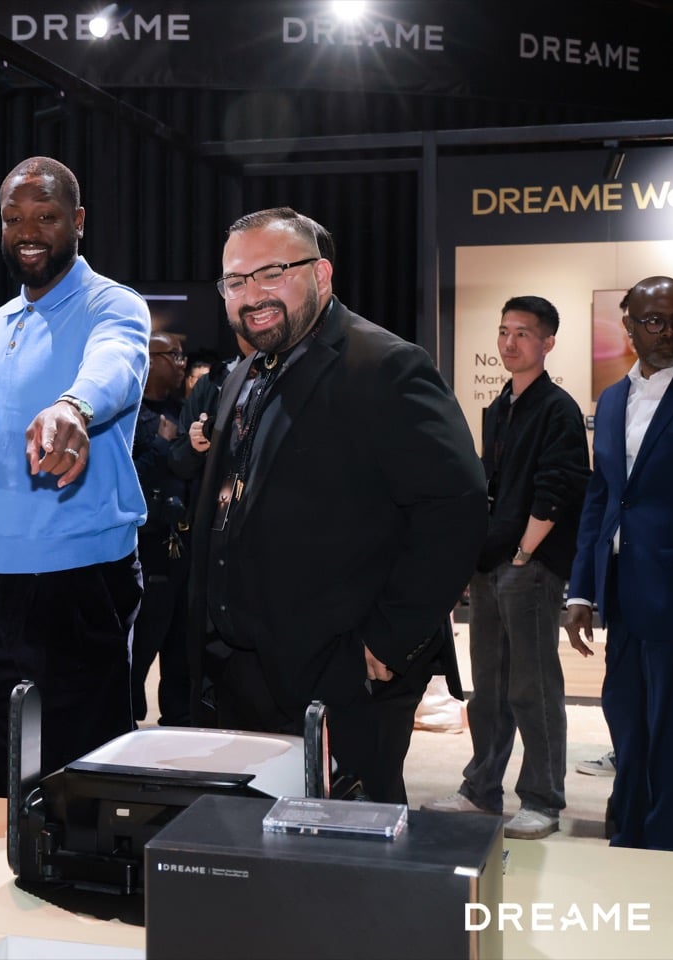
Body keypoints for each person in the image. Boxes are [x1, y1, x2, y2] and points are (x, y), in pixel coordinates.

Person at [187, 207, 487, 804]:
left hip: (344, 675)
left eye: (271, 273)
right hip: (244, 669)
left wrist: (384, 644)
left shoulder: (386, 366)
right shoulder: (246, 370)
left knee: (348, 866)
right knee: (259, 854)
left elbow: (456, 507)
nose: (252, 295)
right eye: (236, 281)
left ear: (321, 275)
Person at [0, 156, 151, 797]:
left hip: (77, 583)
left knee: (81, 781)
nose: (28, 230)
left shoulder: (112, 305)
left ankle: (82, 897)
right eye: (13, 218)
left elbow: (116, 362)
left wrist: (74, 406)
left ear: (78, 221)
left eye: (46, 216)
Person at [425, 296, 589, 839]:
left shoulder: (557, 408)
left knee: (533, 687)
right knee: (488, 689)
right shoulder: (499, 406)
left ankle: (542, 798)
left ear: (547, 342)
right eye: (503, 331)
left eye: (523, 333)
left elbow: (558, 485)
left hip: (531, 566)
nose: (510, 342)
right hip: (491, 563)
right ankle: (482, 789)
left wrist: (524, 551)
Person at [564, 275, 673, 850]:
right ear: (628, 327)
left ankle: (666, 843)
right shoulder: (612, 400)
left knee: (671, 733)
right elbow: (602, 498)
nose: (669, 331)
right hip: (624, 594)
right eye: (654, 320)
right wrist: (580, 591)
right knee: (627, 723)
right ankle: (631, 833)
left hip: (672, 593)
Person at [130, 330, 191, 725]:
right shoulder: (127, 415)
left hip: (182, 547)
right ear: (150, 360)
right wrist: (162, 445)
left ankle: (179, 722)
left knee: (181, 645)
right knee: (142, 643)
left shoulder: (185, 409)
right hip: (146, 547)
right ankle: (125, 723)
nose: (182, 362)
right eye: (175, 354)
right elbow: (125, 479)